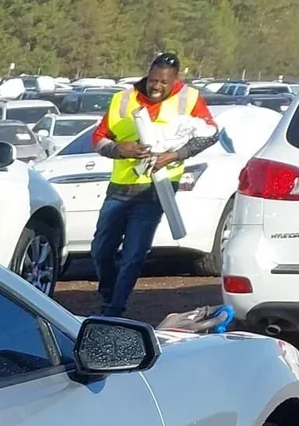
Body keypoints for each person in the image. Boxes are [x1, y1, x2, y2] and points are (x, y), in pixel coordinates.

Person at [88, 53, 218, 317]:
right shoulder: (123, 99)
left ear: (175, 80)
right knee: (101, 249)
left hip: (157, 188)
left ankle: (113, 309)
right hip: (121, 185)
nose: (157, 86)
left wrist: (174, 155)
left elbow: (211, 134)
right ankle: (109, 294)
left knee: (134, 253)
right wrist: (119, 149)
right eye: (153, 80)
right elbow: (99, 139)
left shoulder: (189, 98)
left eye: (164, 82)